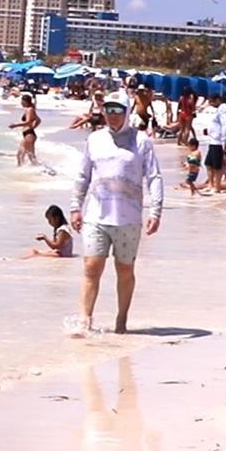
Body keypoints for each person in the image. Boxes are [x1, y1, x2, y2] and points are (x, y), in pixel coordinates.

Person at [69, 98, 164, 334]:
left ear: (127, 111)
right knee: (91, 267)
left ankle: (121, 321)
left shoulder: (141, 142)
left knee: (124, 269)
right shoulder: (95, 139)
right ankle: (85, 321)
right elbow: (83, 175)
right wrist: (75, 206)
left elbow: (154, 177)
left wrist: (156, 210)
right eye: (108, 110)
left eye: (117, 110)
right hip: (96, 215)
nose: (112, 115)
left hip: (128, 218)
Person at [202, 92, 226, 193]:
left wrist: (224, 140)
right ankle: (210, 184)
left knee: (217, 166)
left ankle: (217, 187)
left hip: (218, 142)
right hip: (212, 140)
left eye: (212, 102)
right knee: (208, 164)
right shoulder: (217, 110)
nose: (211, 104)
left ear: (218, 100)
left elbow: (224, 125)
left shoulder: (223, 108)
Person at [11, 94, 41, 167]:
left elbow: (28, 122)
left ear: (25, 101)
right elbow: (38, 120)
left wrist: (15, 125)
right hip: (27, 134)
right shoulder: (29, 109)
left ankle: (43, 171)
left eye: (22, 101)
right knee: (20, 155)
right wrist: (33, 127)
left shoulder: (30, 109)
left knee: (30, 156)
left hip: (29, 135)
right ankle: (21, 170)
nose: (21, 103)